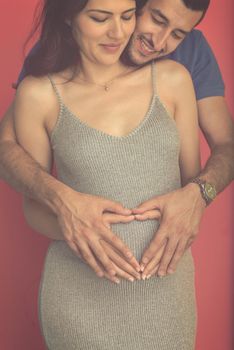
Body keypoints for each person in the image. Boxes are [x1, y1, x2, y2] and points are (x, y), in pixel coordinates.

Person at [9, 0, 203, 348]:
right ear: (69, 16)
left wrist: (195, 203)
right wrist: (81, 234)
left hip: (165, 300)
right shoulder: (39, 95)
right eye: (100, 18)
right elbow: (34, 208)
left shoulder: (174, 81)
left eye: (127, 16)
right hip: (79, 302)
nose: (118, 32)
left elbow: (192, 189)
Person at [0, 0, 233, 279]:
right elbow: (6, 148)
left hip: (166, 284)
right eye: (157, 19)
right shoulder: (63, 48)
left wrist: (199, 194)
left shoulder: (185, 61)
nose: (159, 42)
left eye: (178, 34)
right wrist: (63, 202)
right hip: (77, 283)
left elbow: (227, 144)